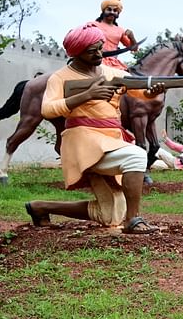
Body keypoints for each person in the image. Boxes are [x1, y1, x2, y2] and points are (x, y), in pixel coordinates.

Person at [24, 23, 166, 234]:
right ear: (77, 53)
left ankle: (40, 207)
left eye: (100, 47)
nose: (100, 53)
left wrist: (152, 92)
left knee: (110, 215)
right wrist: (86, 95)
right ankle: (134, 220)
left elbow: (140, 92)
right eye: (92, 51)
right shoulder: (60, 77)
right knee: (137, 155)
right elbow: (47, 109)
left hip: (112, 140)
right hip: (83, 142)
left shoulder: (113, 73)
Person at [94, 0, 137, 71]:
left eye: (115, 10)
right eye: (109, 9)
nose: (112, 12)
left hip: (113, 63)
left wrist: (131, 37)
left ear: (118, 13)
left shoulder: (120, 30)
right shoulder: (92, 25)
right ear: (104, 10)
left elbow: (134, 48)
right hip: (95, 60)